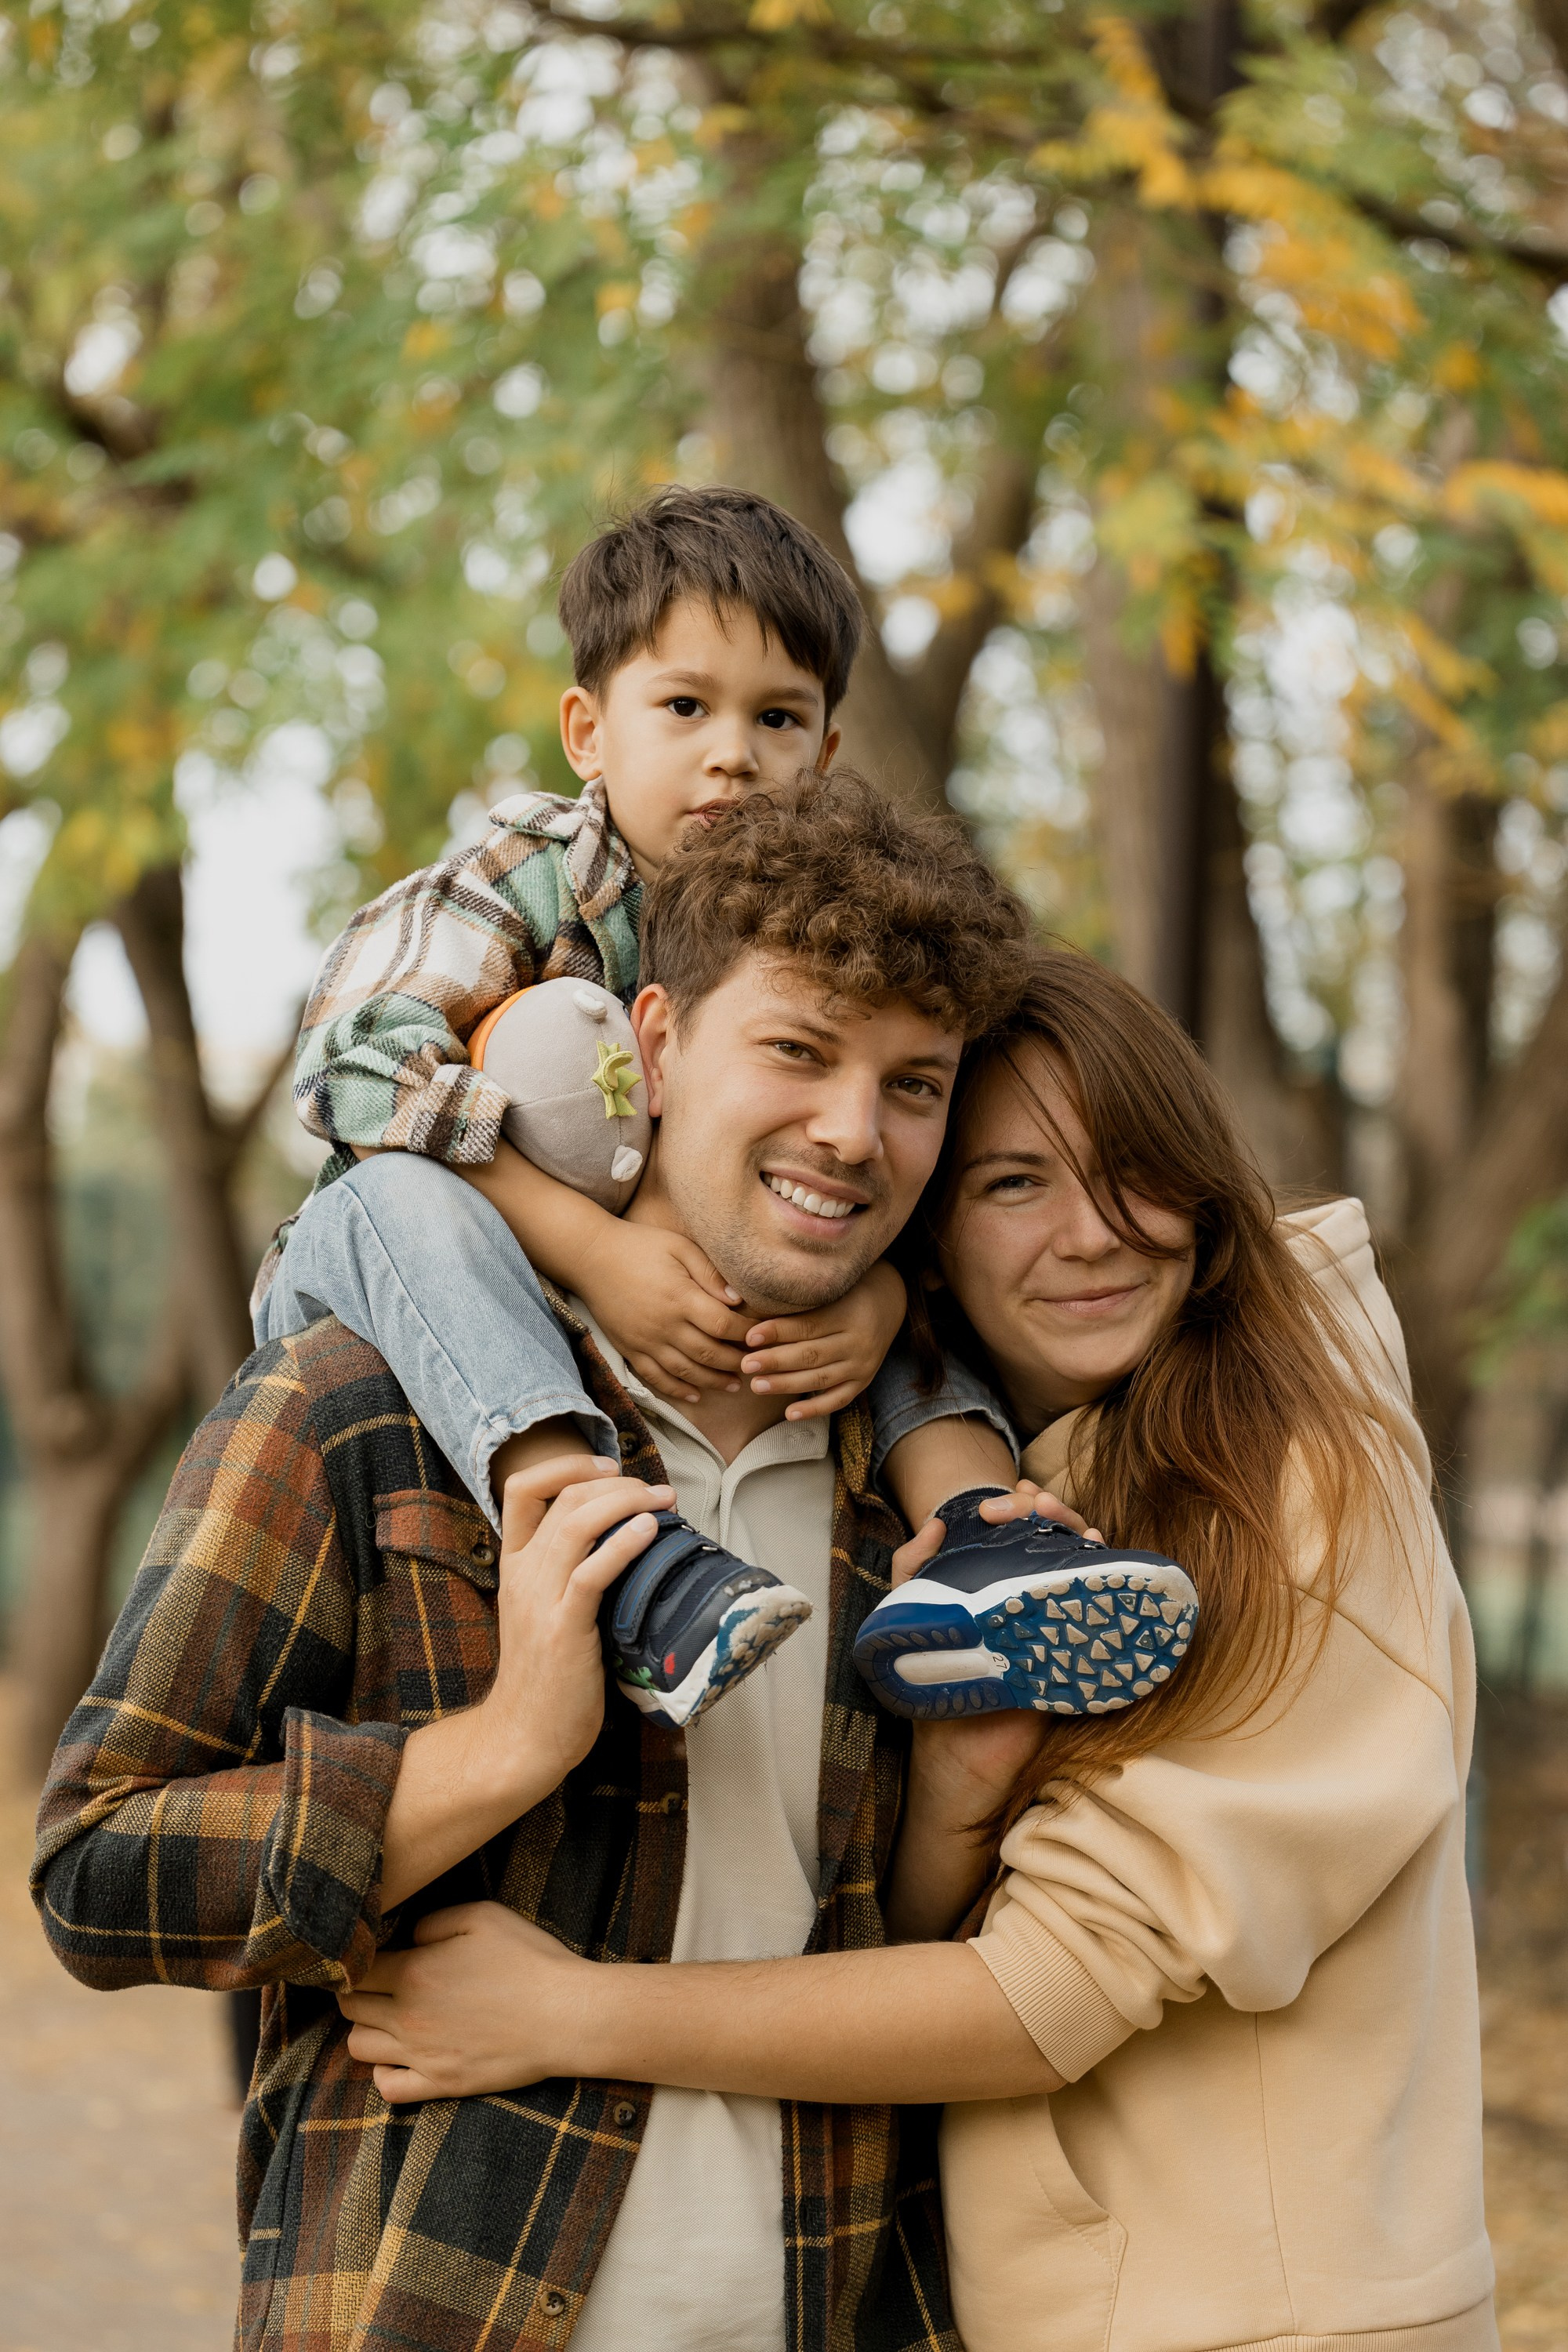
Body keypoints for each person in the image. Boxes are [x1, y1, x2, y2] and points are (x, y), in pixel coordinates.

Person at [336, 949, 1495, 2352]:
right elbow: (942, 1935)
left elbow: (1041, 1999)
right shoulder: (987, 1500)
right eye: (1013, 1184)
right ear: (931, 1234)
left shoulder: (1295, 1482)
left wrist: (568, 2014)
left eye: (1134, 1168)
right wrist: (954, 1797)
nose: (1093, 1235)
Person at [33, 778, 1029, 2352]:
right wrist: (502, 1753)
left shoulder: (916, 1494)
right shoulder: (362, 1407)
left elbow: (888, 1964)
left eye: (914, 1084)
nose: (853, 1130)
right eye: (796, 1049)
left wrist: (962, 1808)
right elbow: (97, 1876)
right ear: (654, 1042)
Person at [252, 485, 1030, 1728]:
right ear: (588, 731)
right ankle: (619, 1563)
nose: (734, 752)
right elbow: (350, 1059)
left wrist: (879, 1298)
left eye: (779, 717)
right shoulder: (532, 875)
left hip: (648, 1295)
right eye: (684, 707)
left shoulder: (817, 946)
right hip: (404, 1269)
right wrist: (593, 1251)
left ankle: (987, 1543)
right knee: (395, 1182)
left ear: (826, 756)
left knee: (855, 1199)